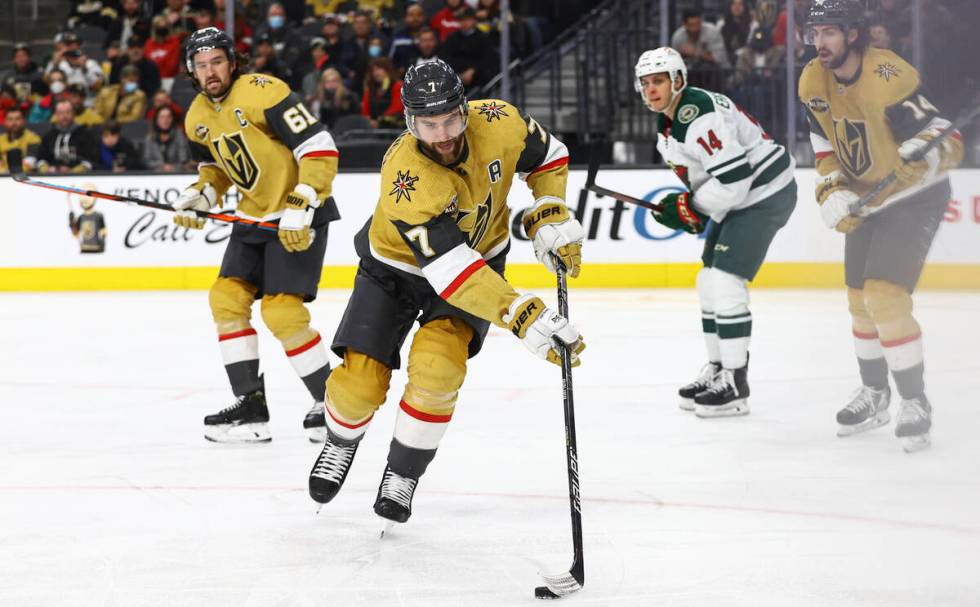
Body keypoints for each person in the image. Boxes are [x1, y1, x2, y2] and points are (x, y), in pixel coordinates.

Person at [306, 59, 585, 526]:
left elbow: (550, 155)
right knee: (357, 389)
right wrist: (520, 314)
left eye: (451, 119)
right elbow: (451, 273)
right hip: (396, 270)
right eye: (428, 124)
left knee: (438, 372)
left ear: (465, 110)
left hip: (477, 259)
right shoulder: (406, 178)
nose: (442, 135)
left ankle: (403, 471)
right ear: (410, 123)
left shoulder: (500, 120)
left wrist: (549, 206)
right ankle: (341, 440)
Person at [798, 0, 962, 452]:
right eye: (815, 34)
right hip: (868, 198)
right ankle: (875, 393)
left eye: (829, 32)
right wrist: (832, 189)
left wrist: (925, 151)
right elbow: (821, 138)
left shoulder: (887, 75)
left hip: (915, 198)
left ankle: (915, 401)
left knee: (885, 297)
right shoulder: (813, 77)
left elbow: (950, 139)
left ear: (853, 34)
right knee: (858, 301)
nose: (819, 43)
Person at [173, 27, 341, 443]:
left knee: (282, 313)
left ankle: (335, 406)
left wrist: (304, 200)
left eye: (216, 61)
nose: (210, 71)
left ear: (232, 62)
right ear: (192, 71)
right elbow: (216, 170)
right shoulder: (195, 117)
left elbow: (319, 145)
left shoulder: (264, 91)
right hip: (253, 220)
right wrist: (200, 196)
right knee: (225, 298)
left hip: (298, 216)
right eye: (201, 64)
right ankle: (250, 408)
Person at [636, 47, 796, 418]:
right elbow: (712, 181)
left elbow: (736, 179)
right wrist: (687, 210)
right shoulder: (671, 119)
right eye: (645, 83)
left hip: (764, 193)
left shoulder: (694, 115)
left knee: (724, 280)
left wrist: (690, 207)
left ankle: (735, 387)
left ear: (678, 80)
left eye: (658, 81)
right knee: (707, 280)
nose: (651, 89)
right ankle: (719, 368)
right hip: (743, 196)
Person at [36, 98, 101, 173]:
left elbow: (93, 160)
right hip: (53, 177)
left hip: (80, 178)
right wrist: (47, 170)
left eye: (68, 112)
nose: (64, 116)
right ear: (56, 115)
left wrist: (74, 171)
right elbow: (41, 160)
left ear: (73, 114)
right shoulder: (49, 136)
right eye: (60, 113)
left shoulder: (86, 135)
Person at [143, 105, 191, 171]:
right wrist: (162, 166)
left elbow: (184, 160)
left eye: (168, 117)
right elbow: (146, 161)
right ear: (156, 119)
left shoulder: (179, 136)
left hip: (177, 174)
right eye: (162, 117)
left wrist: (173, 167)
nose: (165, 120)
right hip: (155, 175)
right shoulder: (150, 138)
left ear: (173, 119)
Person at [0, 107, 41, 173]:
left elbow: (30, 163)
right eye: (10, 119)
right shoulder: (0, 140)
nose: (14, 123)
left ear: (23, 121)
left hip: (25, 177)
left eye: (17, 119)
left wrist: (7, 172)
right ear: (5, 122)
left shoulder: (33, 138)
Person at [68, 187, 108, 253]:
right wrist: (72, 224)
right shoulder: (81, 217)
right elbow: (76, 234)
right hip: (85, 248)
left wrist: (102, 244)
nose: (85, 199)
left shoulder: (98, 216)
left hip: (96, 248)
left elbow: (104, 232)